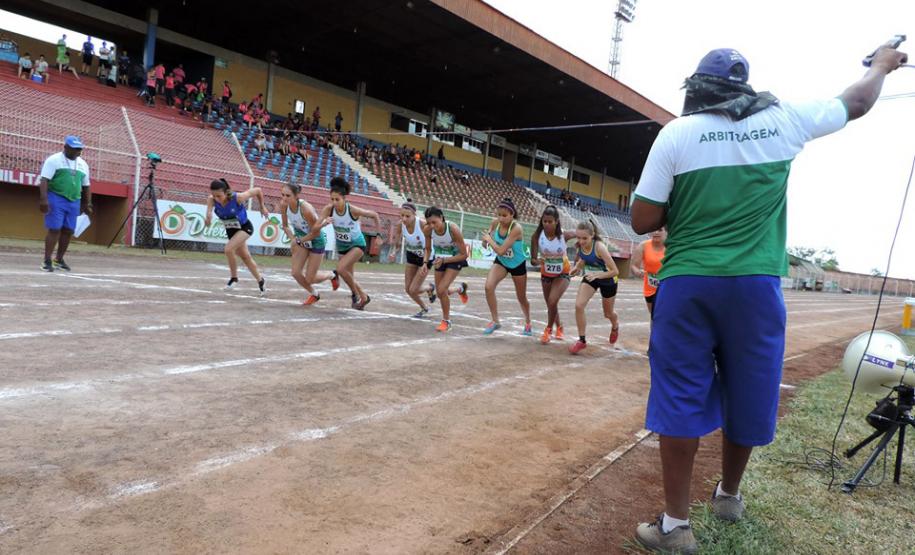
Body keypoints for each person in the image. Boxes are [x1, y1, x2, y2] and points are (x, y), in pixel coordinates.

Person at [628, 45, 908, 554]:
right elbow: (858, 102)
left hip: (689, 283)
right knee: (750, 390)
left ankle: (674, 526)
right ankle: (729, 495)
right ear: (744, 87)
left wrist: (690, 203)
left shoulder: (677, 133)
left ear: (697, 88)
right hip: (756, 286)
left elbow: (643, 220)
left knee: (679, 395)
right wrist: (881, 66)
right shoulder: (782, 121)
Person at [319, 177, 379, 310]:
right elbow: (316, 226)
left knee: (340, 269)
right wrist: (324, 223)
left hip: (357, 244)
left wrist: (379, 235)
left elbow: (374, 215)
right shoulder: (328, 210)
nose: (334, 202)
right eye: (332, 199)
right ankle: (358, 296)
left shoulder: (352, 210)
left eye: (337, 199)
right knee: (348, 276)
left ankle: (360, 295)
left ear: (344, 198)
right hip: (342, 247)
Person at [204, 178, 267, 295]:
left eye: (219, 196)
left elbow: (258, 190)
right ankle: (261, 280)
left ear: (226, 192)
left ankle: (234, 278)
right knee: (245, 257)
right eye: (214, 195)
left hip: (244, 227)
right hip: (231, 230)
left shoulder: (237, 197)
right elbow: (208, 214)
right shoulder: (211, 200)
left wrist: (262, 207)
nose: (216, 198)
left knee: (228, 249)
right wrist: (208, 218)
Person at [39, 136, 92, 272]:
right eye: (74, 149)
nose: (77, 152)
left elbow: (86, 186)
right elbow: (44, 180)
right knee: (55, 228)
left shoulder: (83, 164)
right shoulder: (54, 160)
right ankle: (47, 260)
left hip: (74, 199)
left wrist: (87, 204)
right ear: (66, 147)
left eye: (79, 149)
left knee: (68, 230)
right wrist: (44, 200)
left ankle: (59, 260)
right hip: (56, 197)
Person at [280, 183, 339, 305]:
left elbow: (315, 233)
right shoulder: (284, 205)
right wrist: (293, 239)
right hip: (302, 241)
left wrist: (298, 241)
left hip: (316, 241)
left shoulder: (306, 209)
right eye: (283, 195)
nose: (284, 198)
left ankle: (332, 275)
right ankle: (314, 294)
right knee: (295, 273)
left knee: (310, 278)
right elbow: (285, 226)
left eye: (288, 195)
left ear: (296, 196)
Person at [481, 198, 532, 336]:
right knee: (488, 287)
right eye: (499, 215)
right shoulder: (495, 223)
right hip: (502, 262)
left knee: (521, 297)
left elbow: (501, 250)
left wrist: (489, 241)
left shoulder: (516, 228)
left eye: (505, 215)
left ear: (512, 214)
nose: (501, 218)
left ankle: (528, 322)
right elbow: (488, 237)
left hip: (517, 264)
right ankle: (495, 320)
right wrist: (485, 241)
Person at [568, 220, 619, 354]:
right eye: (578, 237)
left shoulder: (600, 247)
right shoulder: (579, 245)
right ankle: (582, 340)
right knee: (579, 305)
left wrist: (598, 275)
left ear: (592, 235)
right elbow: (584, 259)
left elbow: (615, 271)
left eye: (584, 238)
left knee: (608, 313)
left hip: (608, 279)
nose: (581, 241)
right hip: (592, 277)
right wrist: (576, 268)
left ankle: (615, 325)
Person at [388, 200, 437, 318]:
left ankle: (430, 288)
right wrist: (394, 252)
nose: (404, 219)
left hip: (426, 257)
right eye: (402, 215)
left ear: (414, 215)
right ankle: (424, 308)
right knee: (408, 289)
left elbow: (436, 238)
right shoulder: (400, 225)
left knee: (414, 289)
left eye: (407, 216)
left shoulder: (422, 224)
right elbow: (397, 243)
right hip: (411, 255)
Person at [422, 206, 469, 331]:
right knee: (441, 292)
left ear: (441, 218)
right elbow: (427, 249)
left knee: (441, 290)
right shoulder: (427, 230)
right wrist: (425, 262)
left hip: (456, 259)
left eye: (434, 222)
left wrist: (444, 260)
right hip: (439, 260)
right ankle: (460, 289)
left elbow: (464, 254)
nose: (432, 226)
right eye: (429, 223)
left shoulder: (453, 229)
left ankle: (446, 321)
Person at [529, 205, 571, 344]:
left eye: (550, 222)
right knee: (550, 304)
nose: (547, 224)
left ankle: (548, 329)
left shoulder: (564, 236)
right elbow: (533, 260)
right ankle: (559, 326)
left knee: (553, 300)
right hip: (546, 273)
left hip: (562, 272)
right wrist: (537, 261)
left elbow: (582, 234)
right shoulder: (537, 236)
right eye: (544, 221)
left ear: (557, 221)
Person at [630, 229, 666, 319]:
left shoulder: (671, 246)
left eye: (660, 230)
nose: (656, 232)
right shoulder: (643, 246)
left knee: (664, 314)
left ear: (666, 232)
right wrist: (637, 271)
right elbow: (634, 266)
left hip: (667, 286)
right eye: (654, 230)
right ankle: (654, 332)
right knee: (654, 315)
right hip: (650, 288)